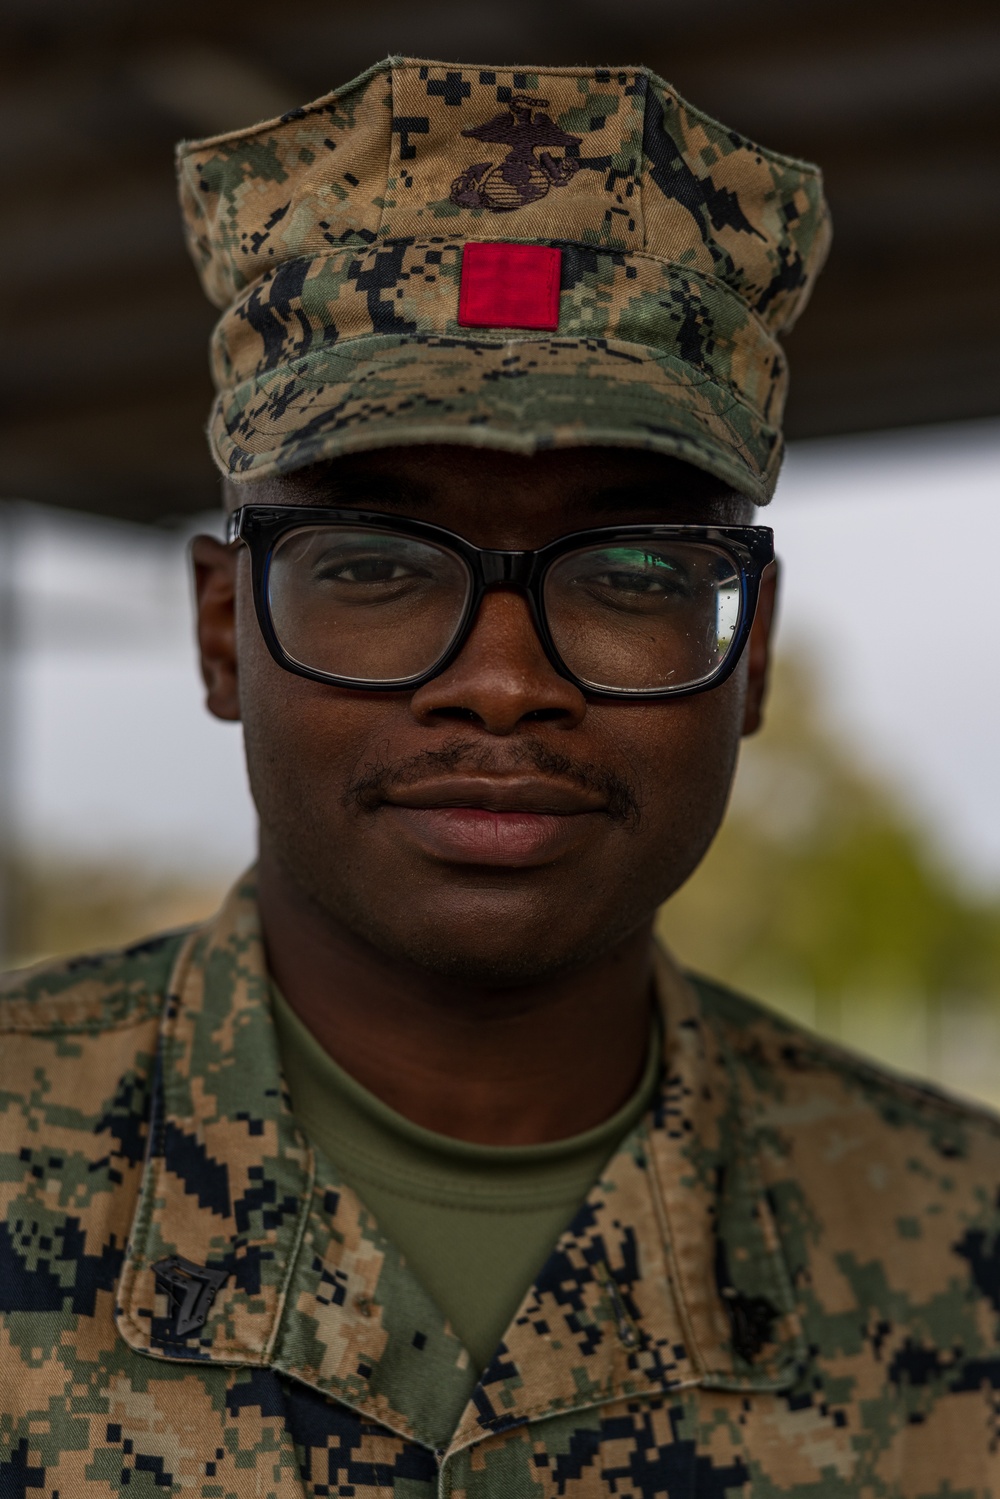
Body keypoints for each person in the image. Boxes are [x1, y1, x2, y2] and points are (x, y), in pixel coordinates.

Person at [2, 55, 998, 1499]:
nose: (505, 681)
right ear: (225, 635)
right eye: (373, 565)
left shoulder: (960, 1249)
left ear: (752, 650)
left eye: (635, 567)